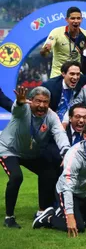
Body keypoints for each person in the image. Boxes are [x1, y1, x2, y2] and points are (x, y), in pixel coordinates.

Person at [0, 86, 70, 228]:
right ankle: (9, 217)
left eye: (45, 102)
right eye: (38, 101)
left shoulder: (51, 116)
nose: (42, 105)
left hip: (31, 153)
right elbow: (16, 109)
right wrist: (19, 102)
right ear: (30, 100)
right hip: (9, 149)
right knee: (16, 177)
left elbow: (60, 134)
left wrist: (66, 152)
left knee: (49, 171)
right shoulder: (23, 108)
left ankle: (42, 212)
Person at [40, 6, 86, 78]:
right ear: (67, 19)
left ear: (81, 20)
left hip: (76, 75)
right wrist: (45, 50)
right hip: (58, 74)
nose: (76, 21)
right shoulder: (56, 32)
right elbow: (44, 54)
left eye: (78, 18)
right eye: (72, 18)